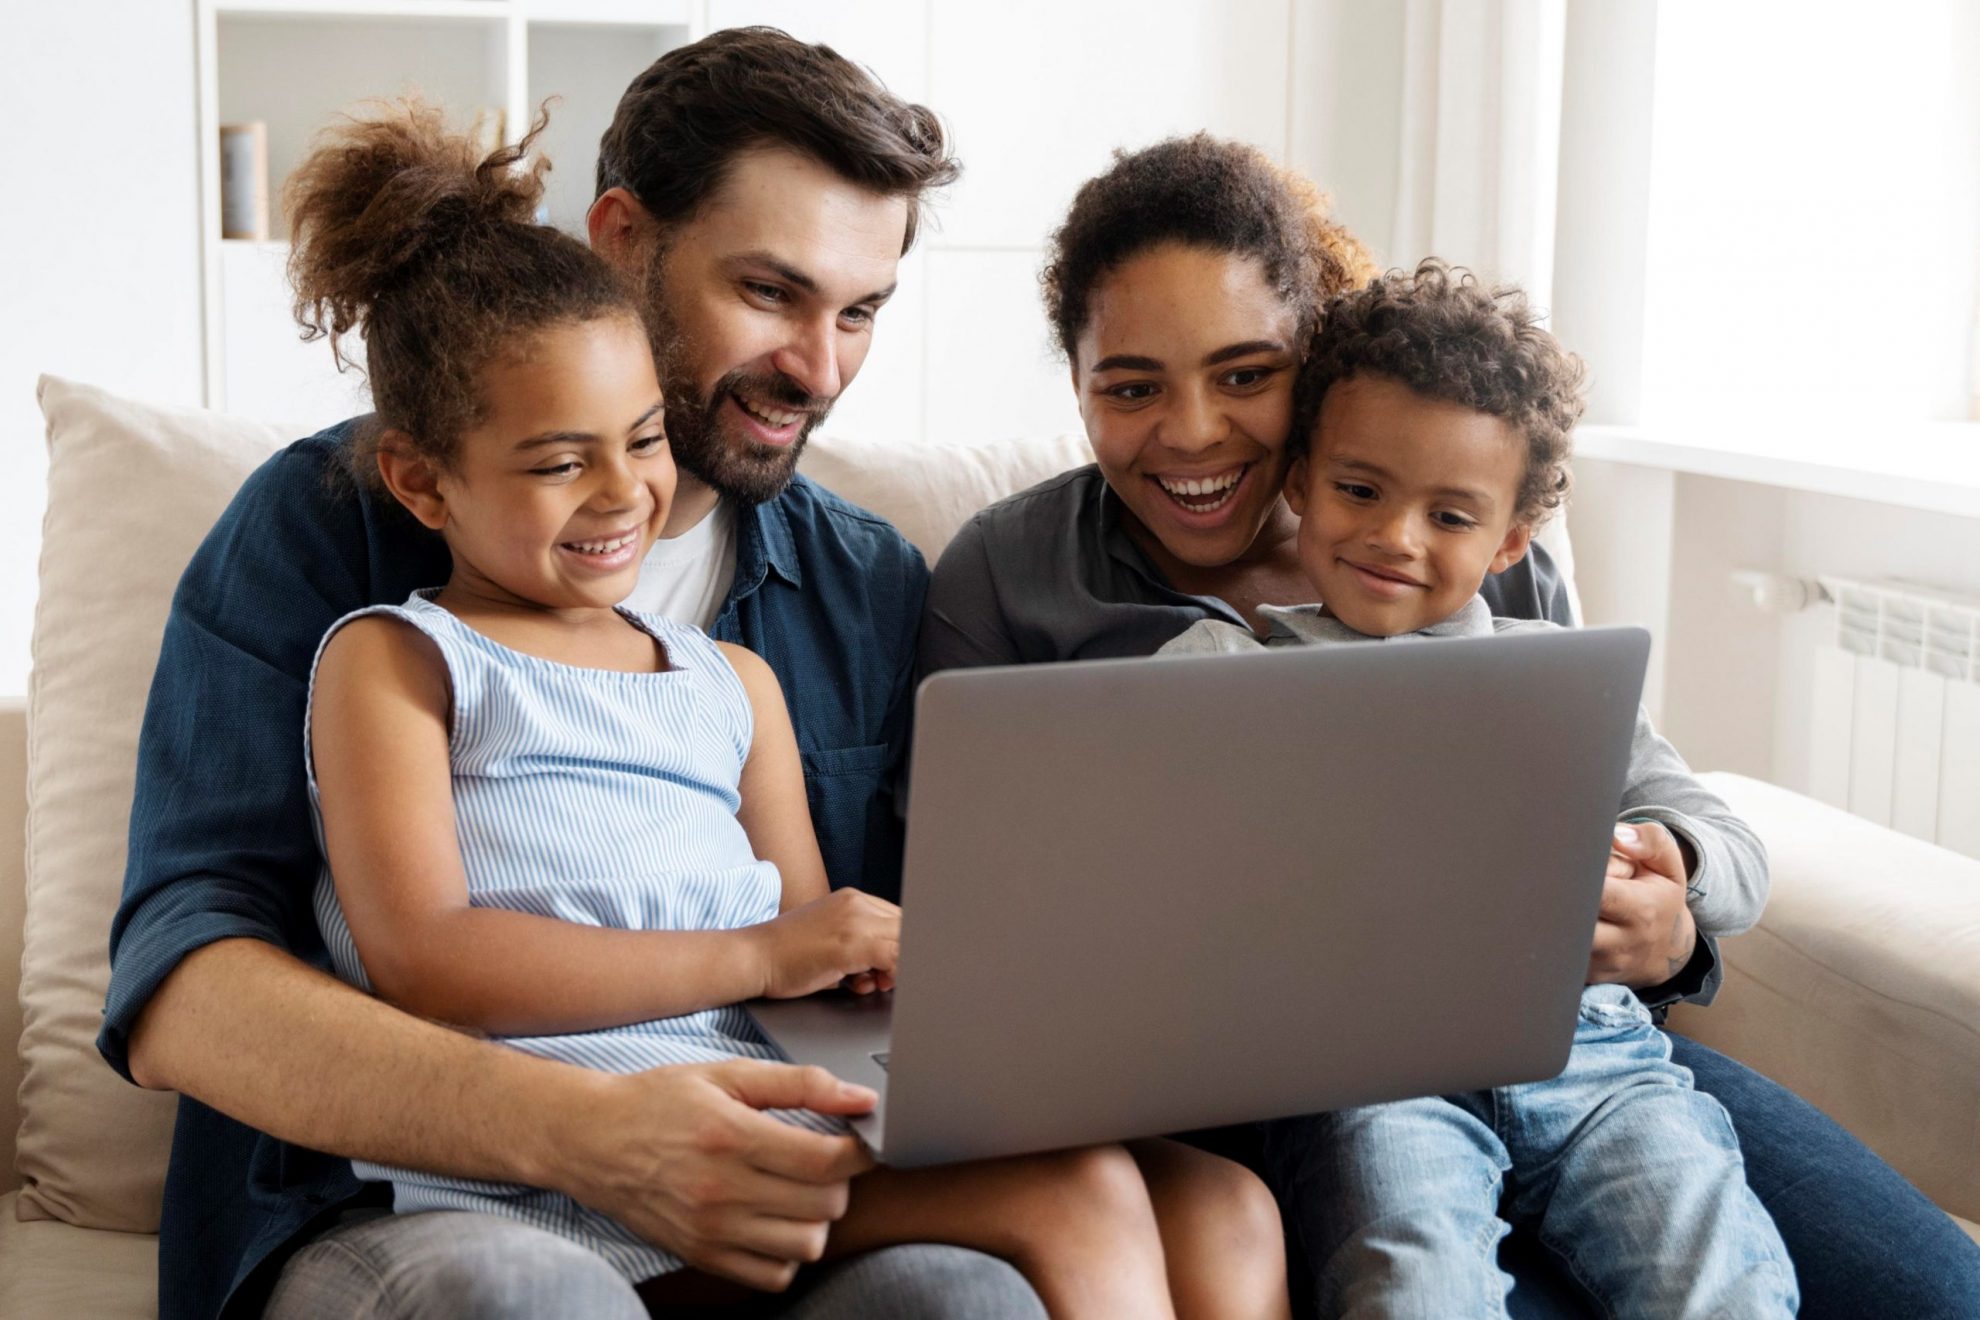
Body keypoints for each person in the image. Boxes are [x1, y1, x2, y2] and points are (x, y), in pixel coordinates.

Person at [921, 133, 1980, 1319]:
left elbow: (1641, 805)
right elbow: (984, 903)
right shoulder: (1025, 579)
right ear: (1074, 381)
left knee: (1926, 1291)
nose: (1196, 433)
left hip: (1580, 1052)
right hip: (1312, 1086)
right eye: (1130, 386)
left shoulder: (1483, 568)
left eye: (1244, 374)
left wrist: (1669, 917)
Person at [281, 101, 1288, 1320]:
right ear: (418, 480)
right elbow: (426, 960)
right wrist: (768, 952)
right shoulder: (401, 660)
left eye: (644, 437)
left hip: (768, 1095)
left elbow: (821, 962)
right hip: (556, 1146)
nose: (622, 492)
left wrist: (945, 983)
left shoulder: (729, 681)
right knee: (1077, 1197)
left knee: (1226, 1200)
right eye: (559, 461)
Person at [101, 28, 1048, 1320]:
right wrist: (590, 1137)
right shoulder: (333, 533)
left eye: (863, 311)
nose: (820, 371)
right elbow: (184, 987)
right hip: (399, 1202)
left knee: (967, 1295)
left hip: (757, 1185)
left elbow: (843, 967)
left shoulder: (864, 586)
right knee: (518, 1292)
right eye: (771, 293)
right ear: (621, 237)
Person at [1159, 259, 1796, 1317]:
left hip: (1593, 1056)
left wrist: (1673, 862)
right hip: (1372, 1077)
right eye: (1361, 490)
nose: (1396, 538)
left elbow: (1737, 850)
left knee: (1721, 1279)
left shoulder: (1560, 673)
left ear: (1510, 539)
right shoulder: (1219, 669)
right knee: (1415, 1282)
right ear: (1301, 481)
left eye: (1450, 517)